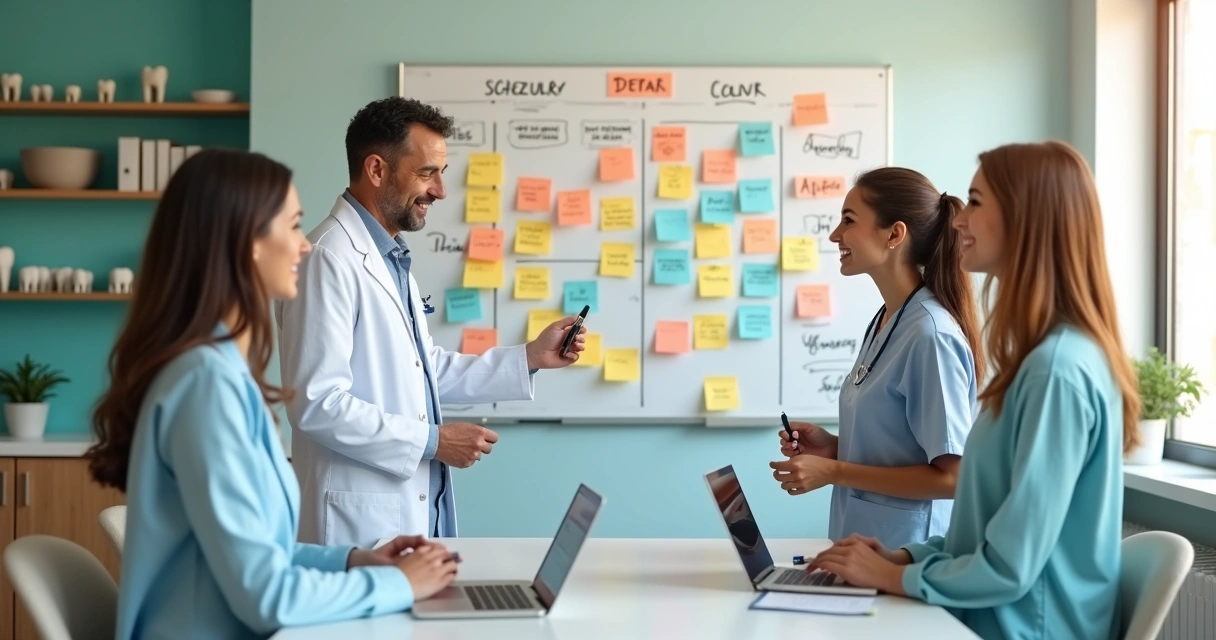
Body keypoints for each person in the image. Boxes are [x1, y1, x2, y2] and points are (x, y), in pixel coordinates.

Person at [85, 149, 459, 639]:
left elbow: (261, 552)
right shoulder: (205, 387)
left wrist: (351, 561)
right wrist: (399, 585)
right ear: (247, 243)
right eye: (293, 225)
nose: (304, 246)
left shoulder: (218, 371)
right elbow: (267, 597)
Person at [808, 141, 1141, 640]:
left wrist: (894, 576)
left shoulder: (1055, 372)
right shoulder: (1038, 360)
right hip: (989, 613)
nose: (959, 220)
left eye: (977, 202)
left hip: (1021, 627)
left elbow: (1009, 566)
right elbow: (983, 530)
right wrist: (902, 558)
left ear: (1028, 219)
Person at [275, 97, 586, 549]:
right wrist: (432, 442)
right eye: (426, 174)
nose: (440, 191)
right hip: (357, 527)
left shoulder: (389, 256)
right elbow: (316, 403)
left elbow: (421, 372)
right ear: (376, 169)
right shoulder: (328, 258)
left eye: (441, 173)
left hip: (404, 516)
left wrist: (529, 358)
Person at [769, 167, 983, 550]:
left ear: (894, 234)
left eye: (848, 221)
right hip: (862, 549)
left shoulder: (930, 335)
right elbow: (898, 447)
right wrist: (835, 447)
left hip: (907, 555)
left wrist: (834, 471)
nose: (835, 235)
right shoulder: (888, 320)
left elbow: (953, 478)